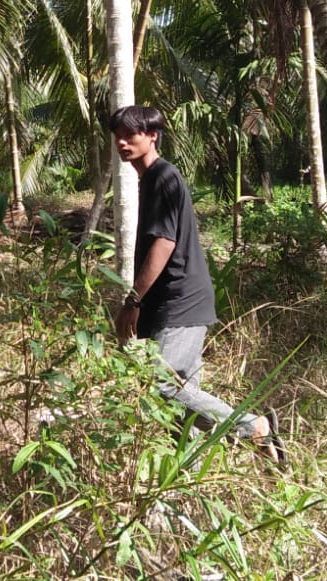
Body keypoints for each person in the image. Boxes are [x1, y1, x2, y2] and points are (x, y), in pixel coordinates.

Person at [107, 104, 285, 465]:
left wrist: (133, 300)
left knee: (163, 387)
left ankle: (254, 427)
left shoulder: (163, 177)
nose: (122, 142)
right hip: (169, 303)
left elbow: (164, 242)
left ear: (152, 136)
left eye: (131, 135)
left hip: (180, 301)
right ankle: (183, 485)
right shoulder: (151, 179)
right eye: (118, 136)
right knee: (177, 409)